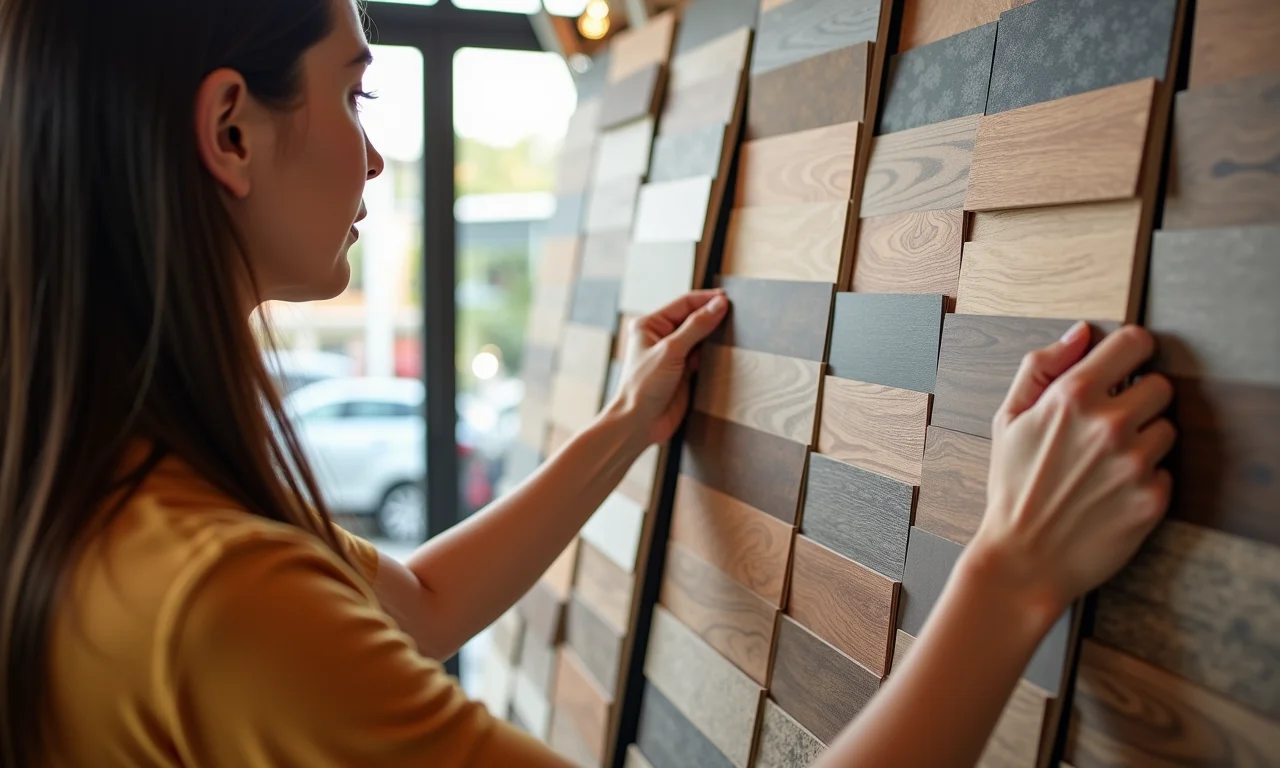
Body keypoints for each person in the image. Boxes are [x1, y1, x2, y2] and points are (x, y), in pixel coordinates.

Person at [0, 0, 1176, 765]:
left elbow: (409, 605)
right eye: (355, 92)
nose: (373, 151)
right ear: (230, 132)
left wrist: (622, 427)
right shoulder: (216, 597)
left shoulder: (116, 487)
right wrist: (1015, 567)